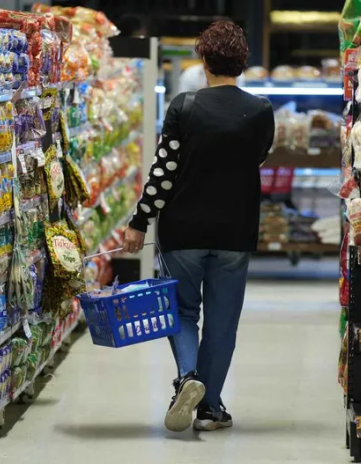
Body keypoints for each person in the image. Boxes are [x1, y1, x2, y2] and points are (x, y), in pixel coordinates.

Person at [122, 20, 275, 433]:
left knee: (183, 312)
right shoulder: (261, 111)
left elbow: (164, 171)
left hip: (183, 231)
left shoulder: (184, 107)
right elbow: (257, 159)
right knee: (222, 322)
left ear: (204, 60)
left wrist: (139, 221)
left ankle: (187, 377)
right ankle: (210, 408)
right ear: (242, 62)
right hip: (235, 232)